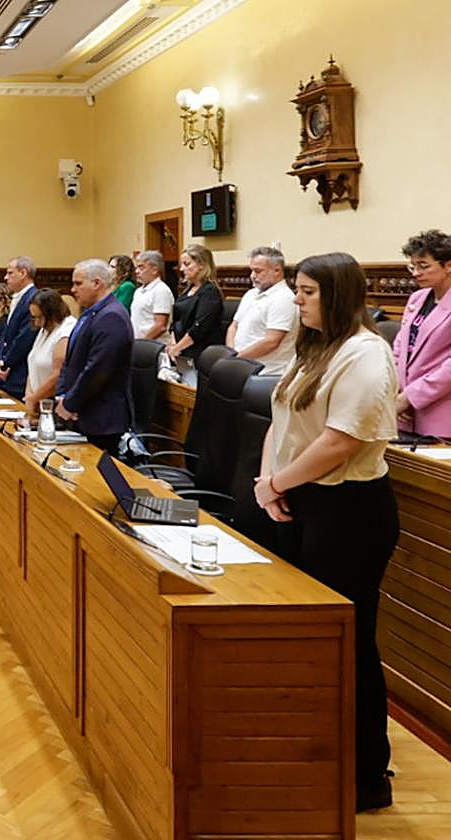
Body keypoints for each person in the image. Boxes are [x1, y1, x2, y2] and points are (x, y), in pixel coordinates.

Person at [252, 252, 399, 812]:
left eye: (307, 292)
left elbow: (340, 442)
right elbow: (281, 418)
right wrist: (270, 482)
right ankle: (312, 747)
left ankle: (366, 773)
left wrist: (277, 483)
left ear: (337, 295)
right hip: (299, 496)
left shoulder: (366, 353)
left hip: (349, 512)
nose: (297, 300)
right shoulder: (315, 347)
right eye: (297, 290)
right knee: (307, 634)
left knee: (348, 641)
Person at [55, 259, 133, 455]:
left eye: (78, 283)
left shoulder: (112, 316)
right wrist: (62, 396)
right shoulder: (90, 312)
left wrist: (70, 403)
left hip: (100, 419)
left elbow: (98, 370)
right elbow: (70, 361)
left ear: (97, 283)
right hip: (81, 412)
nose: (73, 289)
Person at [395, 230, 451, 436]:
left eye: (423, 266)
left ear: (448, 265)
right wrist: (397, 388)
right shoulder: (417, 298)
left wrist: (411, 396)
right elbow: (400, 345)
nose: (416, 273)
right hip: (404, 408)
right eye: (413, 266)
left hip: (439, 410)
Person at [227, 246, 298, 375]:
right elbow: (234, 326)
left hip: (265, 373)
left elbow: (271, 342)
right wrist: (231, 352)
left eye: (258, 271)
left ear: (277, 270)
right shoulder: (251, 294)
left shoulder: (284, 298)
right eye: (251, 271)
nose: (252, 276)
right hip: (240, 365)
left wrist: (235, 359)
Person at [165, 243, 224, 386]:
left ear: (201, 264)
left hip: (199, 353)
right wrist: (174, 344)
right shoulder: (187, 290)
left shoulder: (210, 292)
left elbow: (199, 328)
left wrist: (178, 347)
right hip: (181, 351)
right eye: (181, 264)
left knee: (192, 389)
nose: (181, 269)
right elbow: (175, 321)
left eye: (187, 264)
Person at [0, 256, 38, 399]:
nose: (6, 277)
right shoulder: (17, 297)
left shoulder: (33, 298)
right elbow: (5, 334)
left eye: (10, 273)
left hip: (18, 372)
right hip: (6, 370)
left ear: (23, 273)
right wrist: (0, 358)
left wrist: (6, 363)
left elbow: (24, 338)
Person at [24, 289, 76, 416]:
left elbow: (59, 374)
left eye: (40, 317)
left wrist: (35, 398)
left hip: (53, 405)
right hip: (37, 402)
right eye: (33, 317)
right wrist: (29, 395)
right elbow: (33, 363)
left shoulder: (66, 330)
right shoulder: (45, 328)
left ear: (52, 313)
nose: (36, 322)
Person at [130, 250, 174, 340]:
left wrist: (142, 343)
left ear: (154, 270)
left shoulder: (161, 290)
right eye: (136, 268)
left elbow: (160, 326)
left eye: (141, 268)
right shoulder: (138, 291)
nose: (137, 271)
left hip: (154, 345)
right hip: (137, 342)